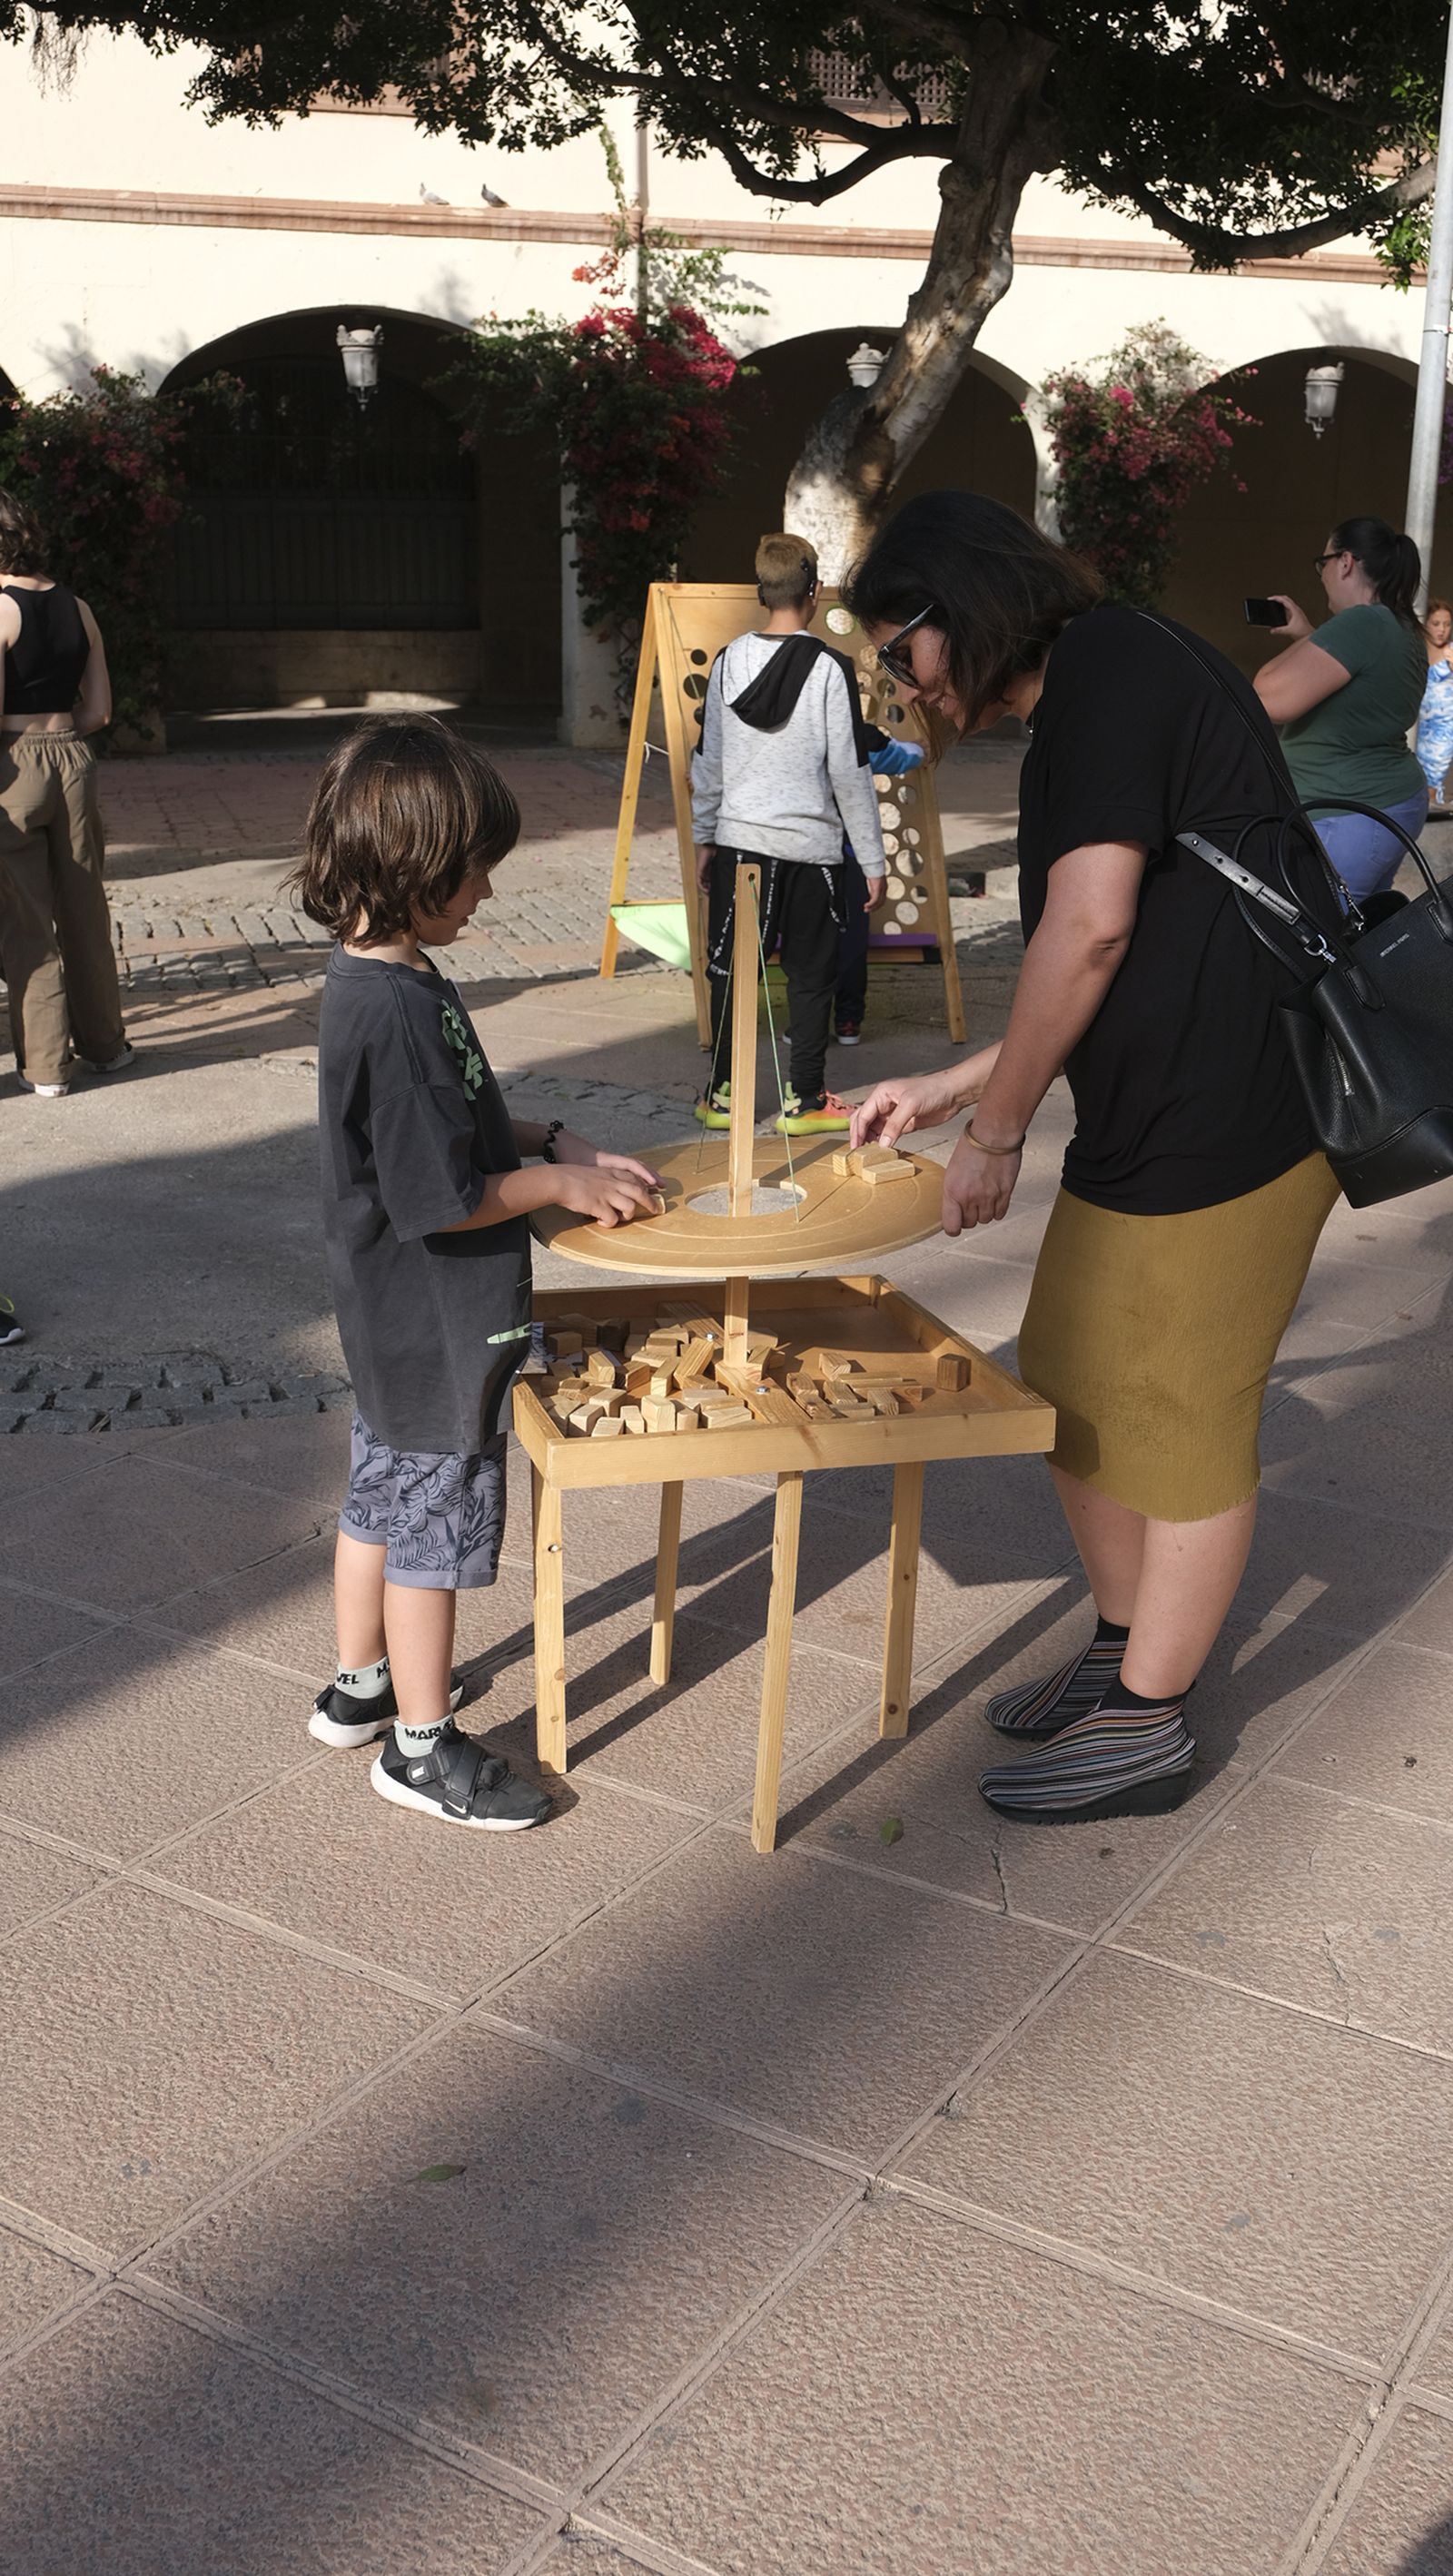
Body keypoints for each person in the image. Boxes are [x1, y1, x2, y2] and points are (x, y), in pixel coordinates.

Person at [844, 490, 1342, 1825]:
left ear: (964, 609)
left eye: (903, 649)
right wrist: (955, 1087)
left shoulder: (1113, 668)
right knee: (1067, 1374)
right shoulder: (1095, 684)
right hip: (1158, 1105)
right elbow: (1095, 959)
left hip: (1244, 1110)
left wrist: (995, 1132)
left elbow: (1095, 927)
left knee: (1180, 1414)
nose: (904, 683)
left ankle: (1150, 1725)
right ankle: (1127, 1648)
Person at [288, 715, 662, 1831]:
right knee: (430, 1532)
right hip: (436, 1324)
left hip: (390, 1321)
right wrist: (548, 1190)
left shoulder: (386, 975)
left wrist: (551, 1141)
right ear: (412, 870)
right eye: (474, 870)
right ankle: (418, 1742)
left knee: (378, 1497)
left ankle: (360, 1685)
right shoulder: (394, 1013)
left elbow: (452, 1127)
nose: (489, 892)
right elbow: (441, 1199)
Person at [691, 532, 886, 1134]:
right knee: (810, 975)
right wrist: (873, 861)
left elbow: (710, 761)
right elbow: (849, 770)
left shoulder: (727, 661)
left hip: (741, 843)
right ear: (812, 589)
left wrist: (706, 835)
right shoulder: (829, 667)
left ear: (761, 590)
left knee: (731, 969)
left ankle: (723, 1095)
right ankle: (804, 1100)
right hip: (810, 852)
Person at [0, 489, 132, 1098]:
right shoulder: (79, 608)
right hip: (75, 762)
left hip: (14, 767)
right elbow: (100, 710)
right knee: (84, 908)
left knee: (26, 918)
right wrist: (60, 741)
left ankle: (49, 1067)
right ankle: (105, 1047)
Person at [1254, 515, 1428, 903]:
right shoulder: (1401, 626)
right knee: (1359, 934)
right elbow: (1358, 689)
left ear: (1345, 562)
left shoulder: (1361, 623)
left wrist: (1303, 645)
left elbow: (1268, 699)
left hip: (1349, 812)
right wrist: (1309, 636)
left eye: (1324, 562)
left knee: (1322, 941)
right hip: (1386, 802)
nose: (1322, 575)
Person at [835, 725, 926, 1047]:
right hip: (850, 856)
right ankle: (848, 1019)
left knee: (807, 943)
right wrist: (919, 747)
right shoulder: (859, 737)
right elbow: (907, 757)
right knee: (851, 939)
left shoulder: (786, 732)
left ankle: (809, 1023)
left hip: (800, 858)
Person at [1416, 597, 1453, 817]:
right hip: (1420, 723)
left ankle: (1427, 820)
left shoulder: (1450, 651)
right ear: (1426, 623)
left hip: (1445, 726)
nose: (1442, 630)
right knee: (1417, 775)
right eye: (1436, 624)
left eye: (1447, 624)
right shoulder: (1417, 649)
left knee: (1433, 774)